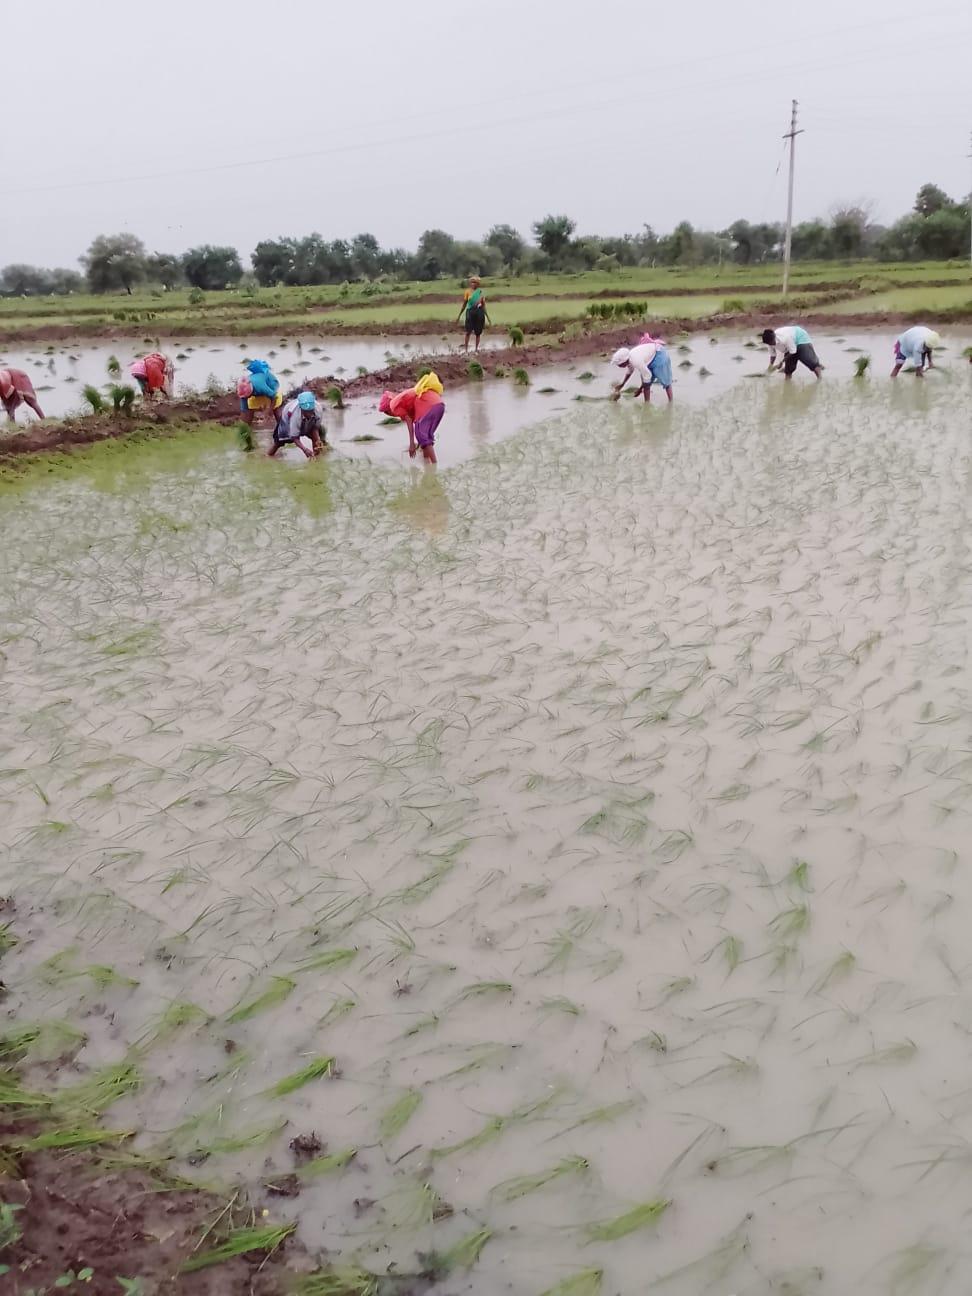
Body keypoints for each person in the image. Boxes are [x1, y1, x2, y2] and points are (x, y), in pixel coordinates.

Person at [379, 371, 445, 464]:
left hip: (429, 404)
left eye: (387, 413)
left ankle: (434, 466)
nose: (391, 415)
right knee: (425, 437)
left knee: (422, 436)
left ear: (388, 409)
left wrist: (412, 444)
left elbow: (409, 421)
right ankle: (427, 464)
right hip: (439, 404)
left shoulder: (394, 405)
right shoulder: (404, 400)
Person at [610, 339, 674, 403]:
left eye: (619, 365)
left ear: (624, 362)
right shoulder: (629, 359)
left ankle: (671, 402)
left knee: (665, 382)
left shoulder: (636, 361)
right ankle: (647, 403)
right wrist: (622, 384)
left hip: (659, 354)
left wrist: (640, 390)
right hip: (649, 358)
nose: (619, 366)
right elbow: (630, 371)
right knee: (646, 383)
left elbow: (647, 376)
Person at [269, 391, 326, 458]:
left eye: (311, 411)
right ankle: (267, 456)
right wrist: (305, 450)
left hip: (307, 421)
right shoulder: (295, 416)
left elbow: (315, 428)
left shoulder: (318, 410)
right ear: (301, 408)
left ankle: (316, 457)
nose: (309, 414)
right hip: (287, 421)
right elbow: (295, 437)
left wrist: (318, 440)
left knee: (316, 440)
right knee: (278, 442)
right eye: (306, 412)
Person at [238, 358, 283, 431]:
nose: (246, 398)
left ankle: (283, 430)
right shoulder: (243, 392)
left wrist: (269, 411)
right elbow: (244, 411)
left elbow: (274, 397)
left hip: (271, 386)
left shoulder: (260, 386)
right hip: (258, 391)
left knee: (276, 410)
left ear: (251, 391)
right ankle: (246, 433)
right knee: (248, 413)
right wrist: (242, 427)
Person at [457, 276, 490, 353]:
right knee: (468, 331)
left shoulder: (481, 292)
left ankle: (476, 349)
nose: (473, 284)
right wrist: (459, 315)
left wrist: (487, 316)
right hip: (470, 312)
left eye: (474, 282)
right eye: (472, 282)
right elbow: (464, 304)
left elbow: (483, 305)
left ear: (478, 284)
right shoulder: (467, 292)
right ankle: (466, 350)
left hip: (479, 312)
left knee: (478, 332)